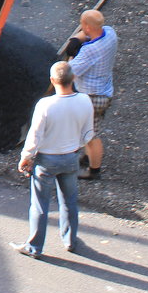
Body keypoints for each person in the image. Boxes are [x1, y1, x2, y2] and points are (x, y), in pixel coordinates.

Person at [10, 61, 94, 258]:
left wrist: (26, 157)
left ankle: (35, 247)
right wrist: (75, 146)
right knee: (69, 202)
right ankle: (70, 241)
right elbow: (89, 134)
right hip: (71, 158)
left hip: (46, 161)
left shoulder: (45, 105)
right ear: (73, 78)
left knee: (40, 205)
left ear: (52, 80)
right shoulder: (85, 101)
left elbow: (34, 136)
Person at [65, 9, 118, 180]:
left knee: (90, 136)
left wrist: (71, 55)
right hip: (105, 90)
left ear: (87, 26)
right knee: (89, 130)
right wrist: (76, 39)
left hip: (92, 98)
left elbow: (68, 74)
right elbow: (86, 34)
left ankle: (94, 171)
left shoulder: (90, 51)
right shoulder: (110, 33)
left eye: (82, 25)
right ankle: (88, 156)